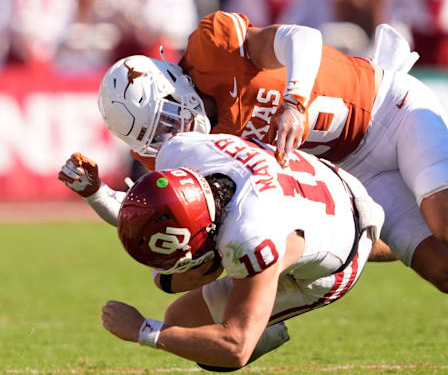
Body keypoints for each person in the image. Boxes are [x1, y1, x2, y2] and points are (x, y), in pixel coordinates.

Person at [60, 11, 448, 374]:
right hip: (351, 171)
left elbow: (303, 40)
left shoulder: (212, 49)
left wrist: (292, 101)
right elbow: (157, 218)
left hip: (388, 107)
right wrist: (96, 193)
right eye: (154, 139)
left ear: (168, 87)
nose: (169, 137)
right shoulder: (178, 149)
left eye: (164, 121)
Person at [101, 131, 384, 370]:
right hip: (333, 182)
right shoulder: (182, 151)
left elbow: (235, 347)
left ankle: (262, 320)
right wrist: (96, 193)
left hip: (341, 254)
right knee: (178, 301)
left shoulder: (250, 236)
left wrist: (143, 330)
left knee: (187, 326)